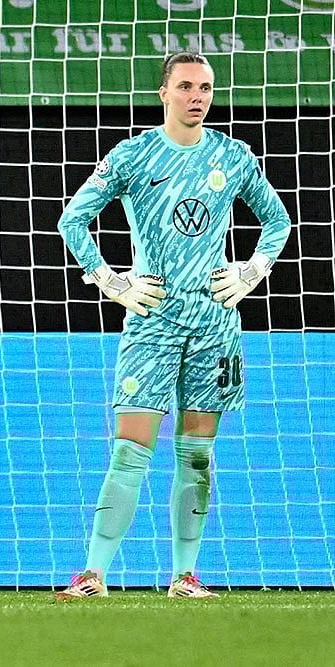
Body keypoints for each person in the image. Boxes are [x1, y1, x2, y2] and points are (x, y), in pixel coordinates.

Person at [55, 52, 291, 600]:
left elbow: (277, 220)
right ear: (164, 93)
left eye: (205, 88)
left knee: (198, 453)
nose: (197, 97)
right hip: (153, 320)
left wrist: (252, 270)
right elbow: (72, 219)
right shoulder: (135, 154)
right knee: (131, 449)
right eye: (185, 86)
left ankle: (185, 576)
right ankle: (93, 574)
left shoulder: (232, 155)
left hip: (214, 324)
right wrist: (111, 281)